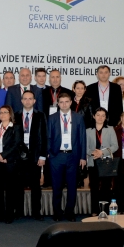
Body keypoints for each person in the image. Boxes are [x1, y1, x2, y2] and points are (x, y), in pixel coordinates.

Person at [47, 93, 86, 221]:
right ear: (58, 104)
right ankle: (57, 213)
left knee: (72, 186)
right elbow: (48, 137)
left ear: (71, 103)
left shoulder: (78, 117)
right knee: (56, 186)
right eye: (61, 102)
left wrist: (82, 157)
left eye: (66, 101)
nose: (64, 104)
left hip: (72, 156)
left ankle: (70, 213)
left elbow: (82, 138)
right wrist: (50, 154)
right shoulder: (52, 118)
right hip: (56, 156)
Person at [15, 91, 47, 220]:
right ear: (21, 101)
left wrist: (43, 156)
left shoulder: (40, 115)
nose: (27, 101)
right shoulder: (16, 115)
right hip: (19, 155)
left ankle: (36, 212)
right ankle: (19, 211)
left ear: (34, 101)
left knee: (35, 186)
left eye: (30, 99)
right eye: (25, 99)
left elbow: (44, 136)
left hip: (35, 156)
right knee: (18, 185)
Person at [0, 106, 22, 223]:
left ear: (10, 114)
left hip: (10, 162)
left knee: (10, 190)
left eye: (5, 112)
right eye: (1, 112)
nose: (3, 114)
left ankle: (9, 214)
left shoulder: (16, 128)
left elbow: (16, 144)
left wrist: (4, 155)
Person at [86, 108, 118, 216]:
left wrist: (102, 153)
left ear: (106, 117)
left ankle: (105, 210)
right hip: (93, 161)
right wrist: (94, 153)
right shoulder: (88, 130)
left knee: (106, 187)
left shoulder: (110, 129)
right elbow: (85, 147)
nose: (100, 117)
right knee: (94, 187)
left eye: (103, 115)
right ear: (94, 116)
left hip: (106, 162)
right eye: (98, 115)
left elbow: (115, 146)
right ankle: (95, 210)